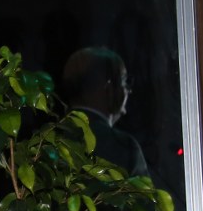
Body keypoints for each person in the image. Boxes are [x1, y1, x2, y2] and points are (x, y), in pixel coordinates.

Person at [59, 46, 149, 180]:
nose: (128, 91)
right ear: (109, 88)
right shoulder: (124, 147)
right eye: (124, 81)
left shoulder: (46, 140)